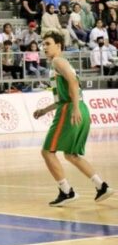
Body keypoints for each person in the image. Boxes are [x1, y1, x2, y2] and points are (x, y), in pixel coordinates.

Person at [32, 32, 113, 206]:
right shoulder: (60, 64)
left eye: (48, 43)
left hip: (71, 108)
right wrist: (45, 110)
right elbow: (66, 92)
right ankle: (102, 186)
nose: (44, 47)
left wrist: (74, 108)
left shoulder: (57, 61)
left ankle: (66, 191)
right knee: (71, 155)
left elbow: (73, 83)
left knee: (47, 151)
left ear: (59, 45)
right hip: (80, 107)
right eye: (43, 44)